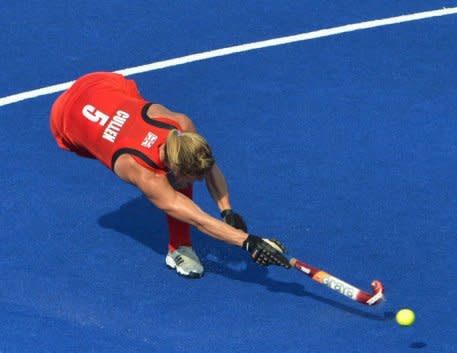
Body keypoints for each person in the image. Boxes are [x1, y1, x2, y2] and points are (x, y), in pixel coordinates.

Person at [49, 71, 290, 278]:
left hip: (102, 84)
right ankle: (179, 248)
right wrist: (248, 242)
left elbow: (208, 166)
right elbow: (198, 219)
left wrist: (227, 210)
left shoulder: (181, 126)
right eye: (194, 177)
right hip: (65, 118)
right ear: (176, 166)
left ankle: (181, 243)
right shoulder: (140, 169)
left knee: (179, 177)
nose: (198, 181)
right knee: (174, 187)